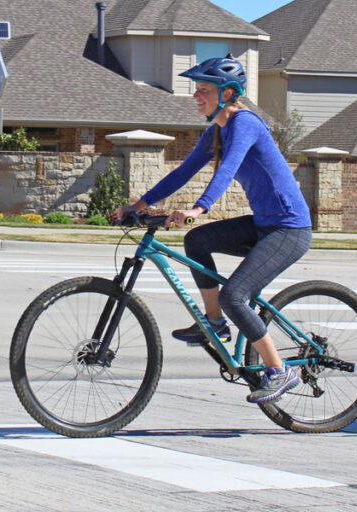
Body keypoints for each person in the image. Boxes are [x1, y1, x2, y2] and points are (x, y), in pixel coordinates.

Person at [110, 55, 312, 404]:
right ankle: (214, 322)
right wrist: (138, 206)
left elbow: (228, 168)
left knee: (235, 295)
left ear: (227, 93)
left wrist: (199, 207)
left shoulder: (245, 123)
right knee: (197, 240)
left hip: (289, 230)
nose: (196, 96)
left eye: (203, 89)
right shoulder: (217, 130)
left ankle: (280, 371)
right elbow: (183, 172)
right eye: (197, 89)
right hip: (264, 224)